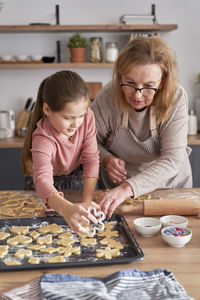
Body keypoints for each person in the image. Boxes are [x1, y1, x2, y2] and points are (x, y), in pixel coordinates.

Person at [91, 36, 192, 219]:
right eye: (129, 83)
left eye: (148, 86)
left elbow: (172, 159)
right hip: (117, 194)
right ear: (120, 74)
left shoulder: (175, 98)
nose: (137, 95)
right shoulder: (106, 99)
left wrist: (127, 188)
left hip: (169, 188)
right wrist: (106, 159)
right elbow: (88, 142)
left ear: (162, 81)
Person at [22, 70, 100, 234]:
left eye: (81, 115)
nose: (76, 124)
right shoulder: (43, 137)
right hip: (45, 186)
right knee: (47, 230)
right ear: (47, 109)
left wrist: (86, 202)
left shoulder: (87, 118)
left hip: (76, 179)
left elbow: (91, 159)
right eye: (68, 118)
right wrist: (66, 209)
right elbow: (43, 180)